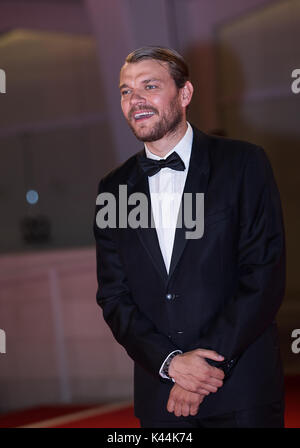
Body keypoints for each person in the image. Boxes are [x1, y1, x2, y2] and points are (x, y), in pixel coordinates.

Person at [93, 46, 286, 428]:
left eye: (150, 86)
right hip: (160, 400)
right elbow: (113, 295)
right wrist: (170, 365)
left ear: (185, 94)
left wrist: (201, 370)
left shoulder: (243, 164)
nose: (136, 100)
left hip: (241, 393)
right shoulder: (112, 189)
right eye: (126, 91)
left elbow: (263, 276)